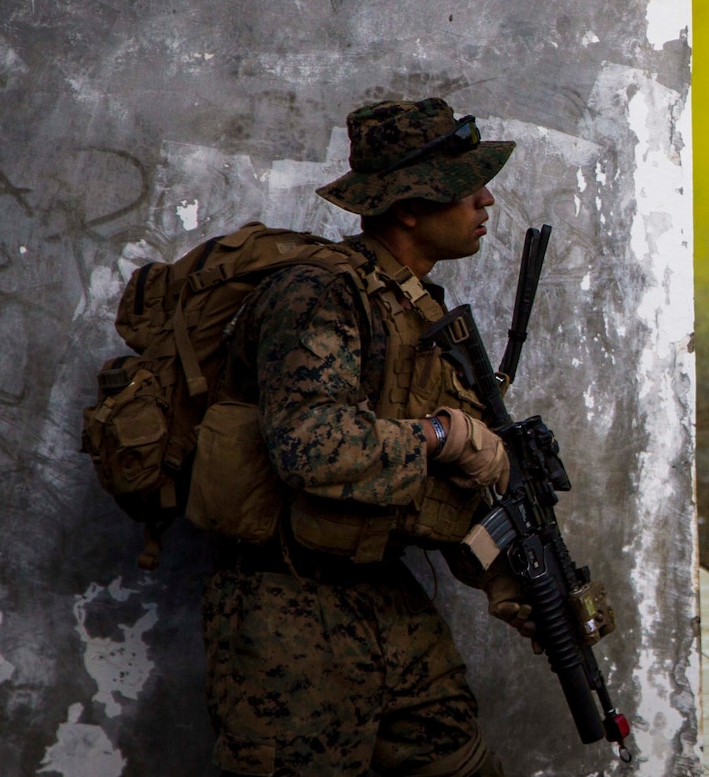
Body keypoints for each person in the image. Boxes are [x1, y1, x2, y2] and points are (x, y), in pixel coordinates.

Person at [203, 98, 536, 777]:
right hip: (289, 612)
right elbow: (310, 446)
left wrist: (494, 569)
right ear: (408, 208)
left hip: (381, 594)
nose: (486, 200)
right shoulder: (317, 294)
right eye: (463, 187)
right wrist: (446, 434)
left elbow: (437, 483)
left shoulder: (413, 306)